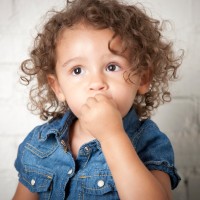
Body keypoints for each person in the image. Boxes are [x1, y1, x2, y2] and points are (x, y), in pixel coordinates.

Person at [13, 0, 183, 199]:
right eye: (77, 70)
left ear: (143, 78)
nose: (96, 83)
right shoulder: (41, 142)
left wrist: (113, 136)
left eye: (112, 67)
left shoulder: (150, 142)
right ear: (58, 87)